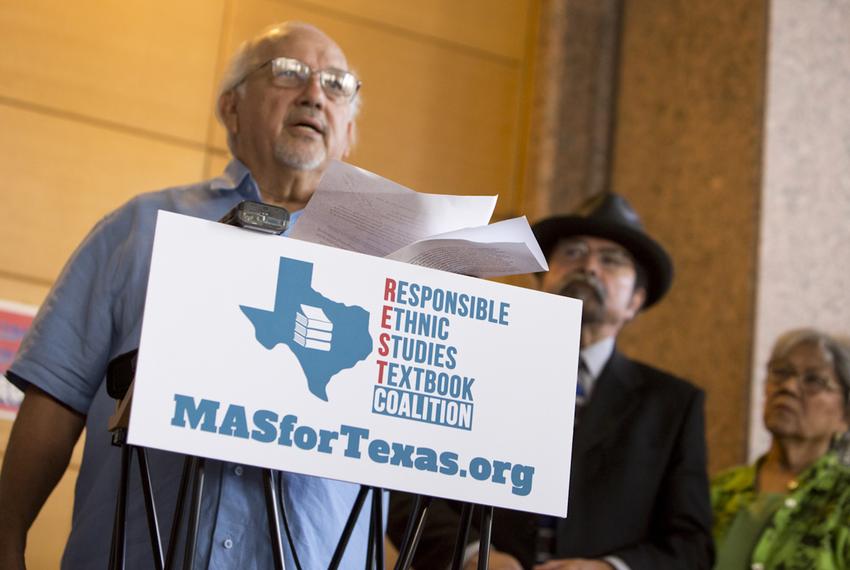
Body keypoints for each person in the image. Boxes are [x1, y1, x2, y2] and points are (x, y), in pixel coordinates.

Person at [0, 22, 369, 569]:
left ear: (349, 132)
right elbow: (55, 397)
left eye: (337, 84)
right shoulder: (140, 227)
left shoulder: (382, 270)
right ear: (231, 109)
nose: (315, 93)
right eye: (289, 73)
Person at [388, 193, 714, 569]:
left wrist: (610, 568)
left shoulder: (673, 404)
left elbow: (692, 545)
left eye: (611, 261)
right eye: (573, 253)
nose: (589, 267)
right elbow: (403, 484)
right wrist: (473, 554)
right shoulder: (472, 366)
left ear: (635, 301)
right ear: (542, 280)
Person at [711, 328, 850, 569]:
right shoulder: (718, 492)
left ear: (845, 416)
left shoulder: (844, 499)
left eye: (814, 380)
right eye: (781, 373)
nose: (788, 387)